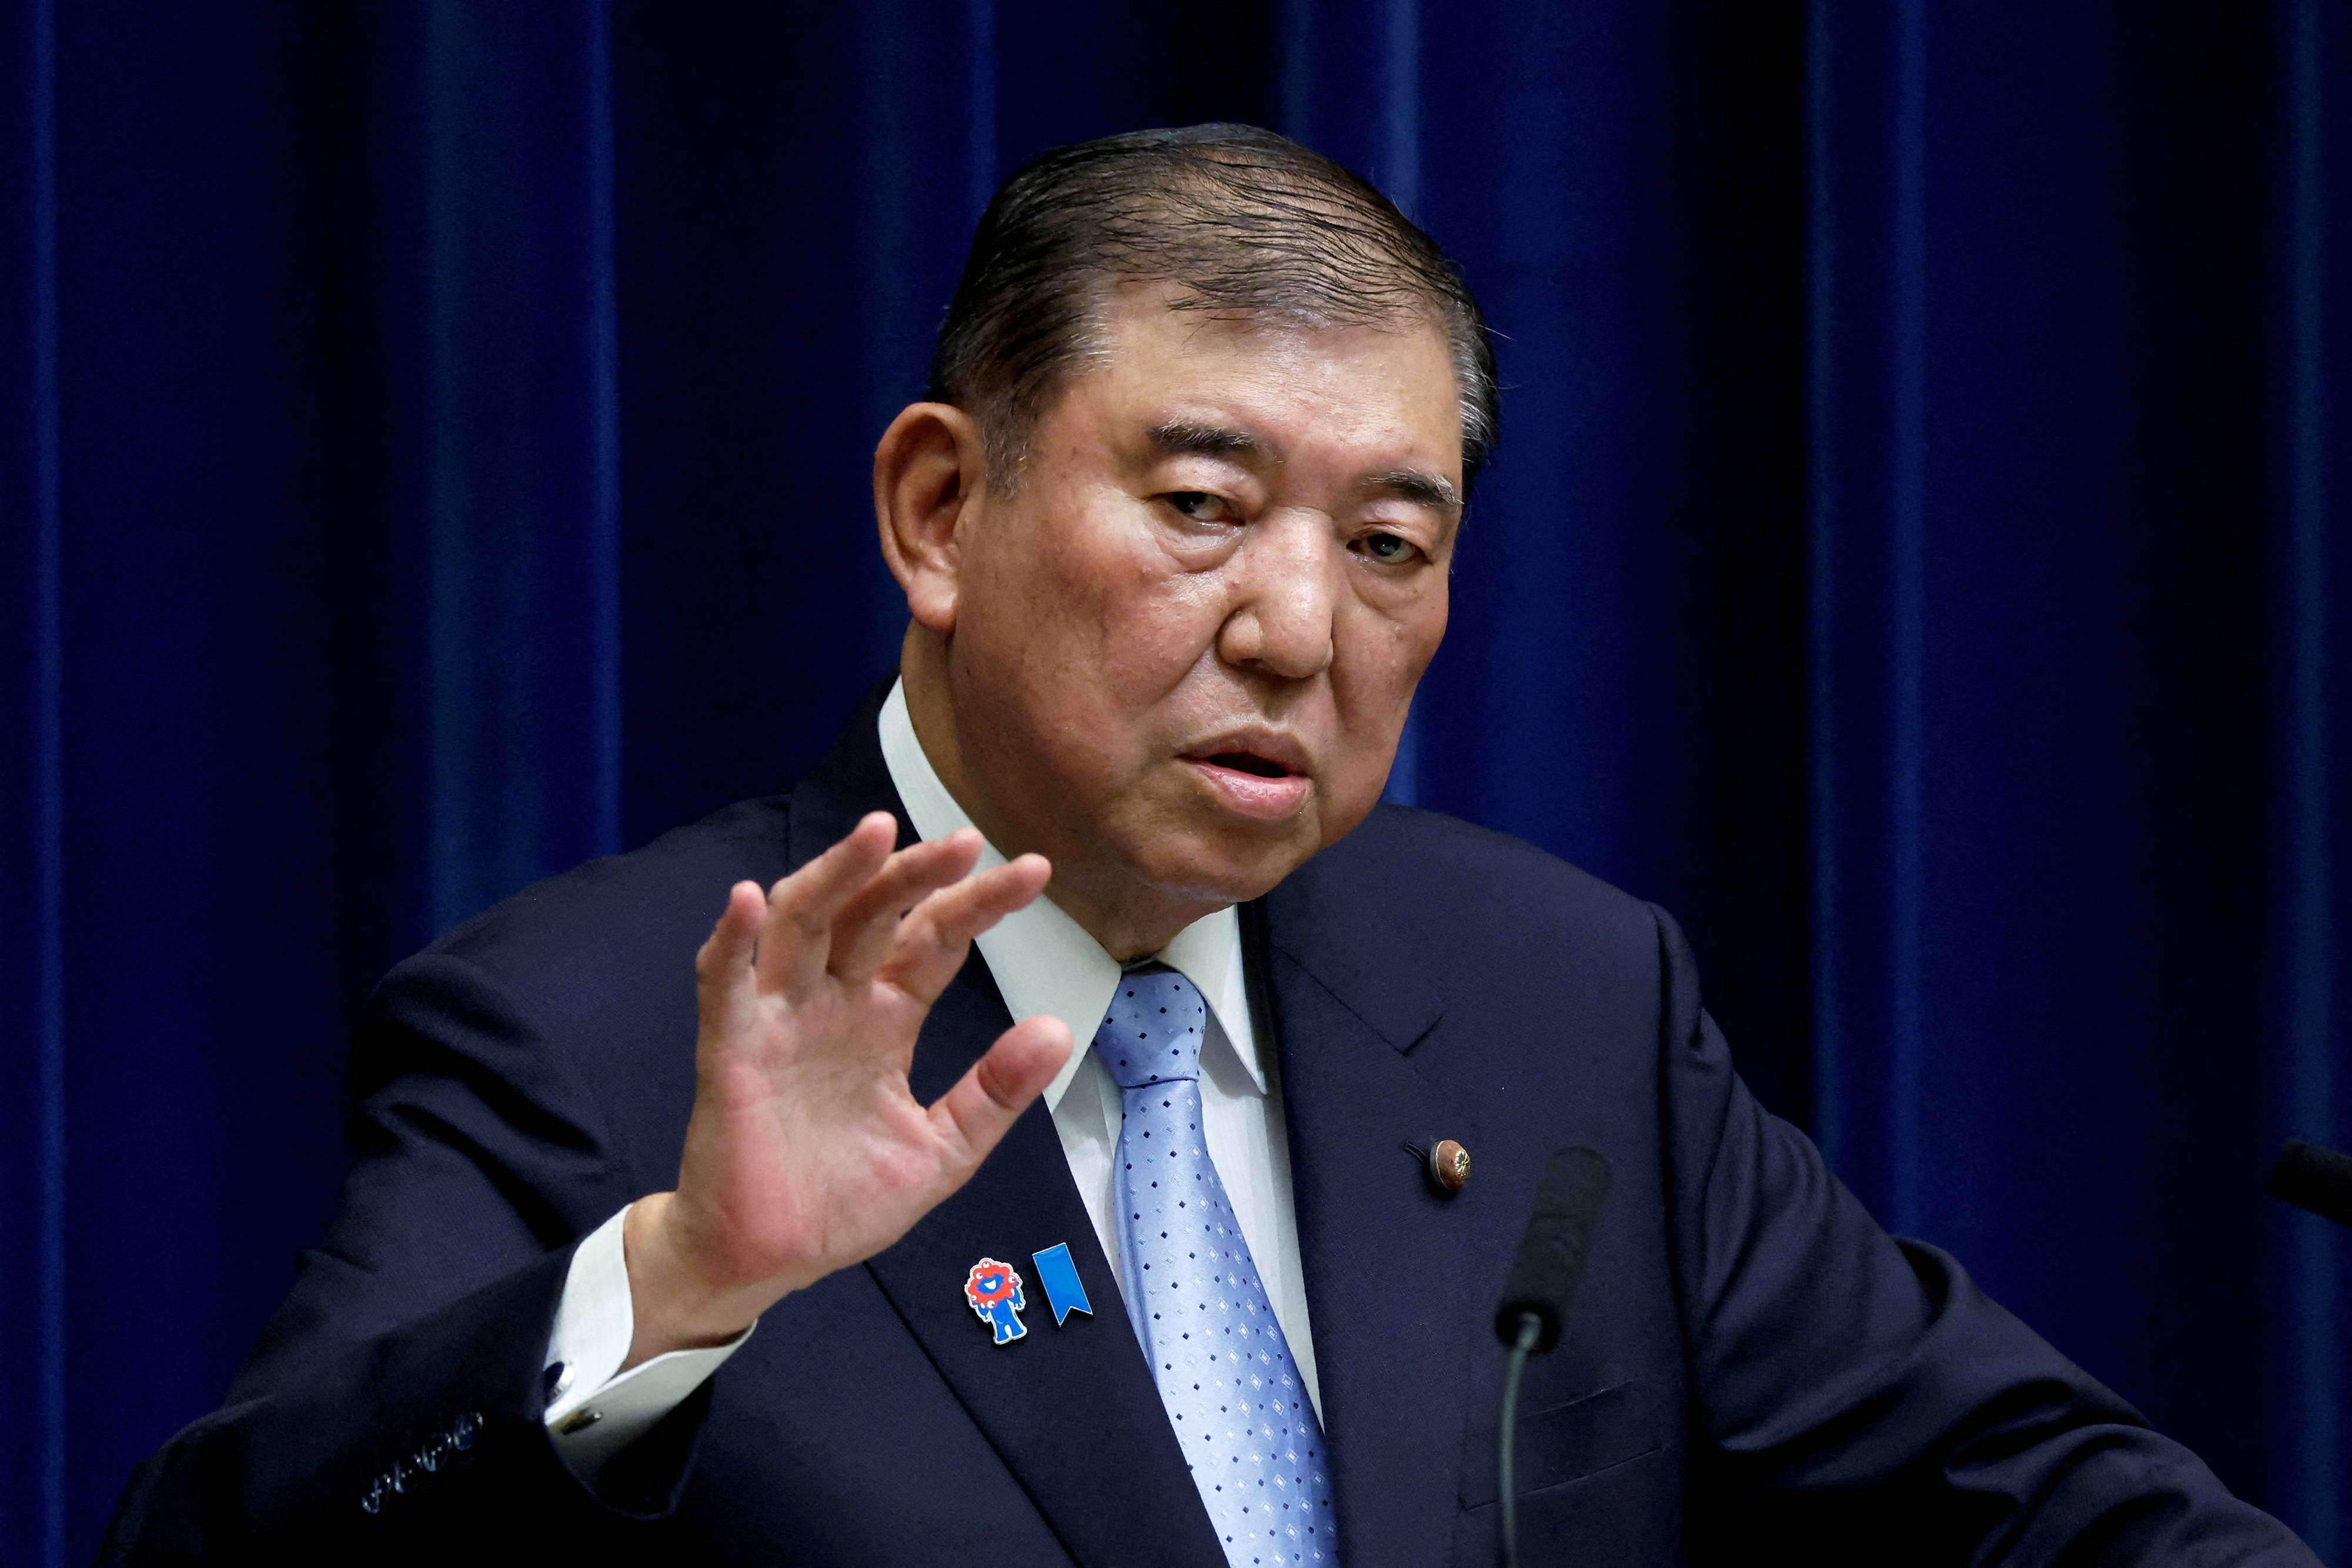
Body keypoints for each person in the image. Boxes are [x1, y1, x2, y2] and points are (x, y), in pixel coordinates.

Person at [102, 124, 2316, 1567]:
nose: (1296, 624)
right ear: (940, 512)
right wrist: (686, 1279)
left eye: (1390, 539)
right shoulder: (599, 1032)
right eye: (1199, 508)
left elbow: (2047, 1507)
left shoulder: (1561, 1003)